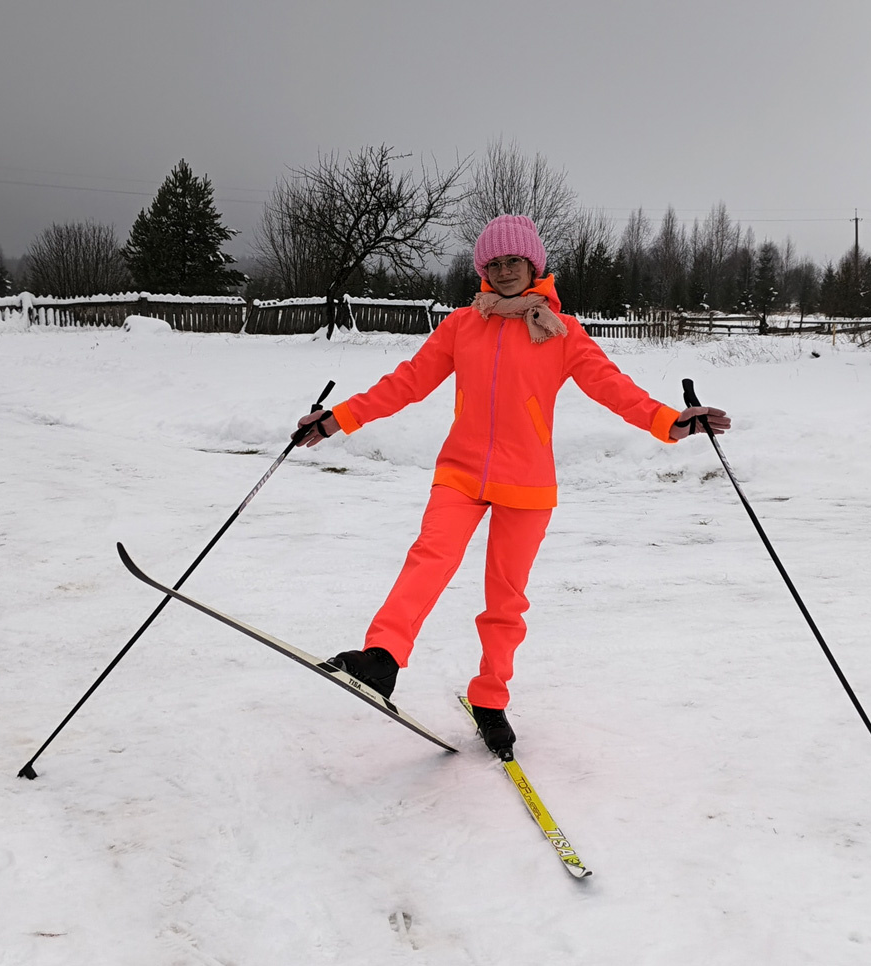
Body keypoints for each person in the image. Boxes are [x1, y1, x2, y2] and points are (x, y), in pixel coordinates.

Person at [292, 214, 730, 755]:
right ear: (483, 269)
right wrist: (339, 418)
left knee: (505, 599)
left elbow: (613, 388)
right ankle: (382, 658)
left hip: (527, 483)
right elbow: (406, 382)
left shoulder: (562, 332)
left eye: (513, 261)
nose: (503, 271)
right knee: (429, 557)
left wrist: (670, 422)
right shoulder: (461, 326)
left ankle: (490, 698)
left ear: (533, 265)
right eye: (493, 263)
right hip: (461, 472)